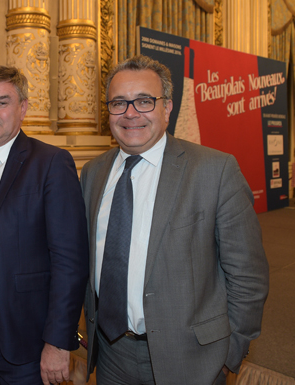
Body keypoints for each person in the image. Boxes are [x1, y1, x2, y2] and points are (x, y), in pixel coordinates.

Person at [81, 54, 269, 385]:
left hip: (193, 360)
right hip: (111, 355)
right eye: (119, 103)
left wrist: (229, 355)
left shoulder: (215, 171)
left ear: (167, 108)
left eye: (144, 101)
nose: (131, 113)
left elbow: (248, 275)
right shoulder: (93, 173)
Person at [0, 64, 89, 384]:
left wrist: (57, 342)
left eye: (2, 101)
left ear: (22, 108)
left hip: (29, 337)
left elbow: (71, 262)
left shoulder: (50, 163)